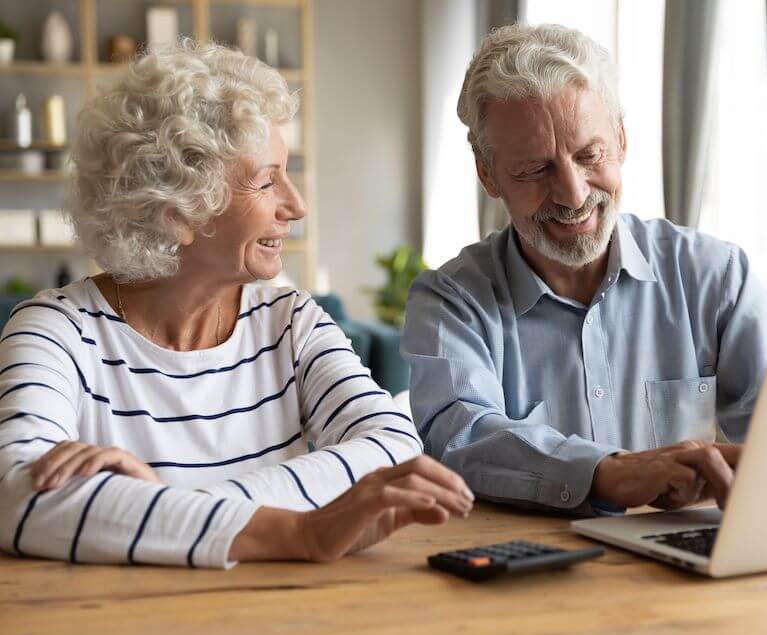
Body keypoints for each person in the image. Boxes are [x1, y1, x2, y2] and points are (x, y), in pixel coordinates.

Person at [0, 40, 473, 568]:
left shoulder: (289, 321)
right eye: (267, 181)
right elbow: (17, 499)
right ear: (178, 209)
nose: (297, 205)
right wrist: (298, 532)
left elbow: (395, 449)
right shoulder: (55, 331)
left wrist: (160, 507)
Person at [402, 24, 767, 516]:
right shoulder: (451, 301)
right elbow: (462, 438)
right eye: (535, 169)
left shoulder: (716, 276)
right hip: (532, 560)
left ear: (621, 140)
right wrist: (610, 473)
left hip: (686, 558)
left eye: (590, 155)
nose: (574, 194)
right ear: (488, 174)